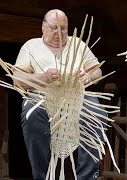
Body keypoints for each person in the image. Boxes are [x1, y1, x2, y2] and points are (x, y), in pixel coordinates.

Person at [13, 9, 105, 180]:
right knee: (32, 115)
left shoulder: (77, 43)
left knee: (97, 113)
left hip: (77, 96)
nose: (59, 33)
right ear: (43, 27)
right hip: (41, 97)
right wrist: (43, 77)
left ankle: (87, 177)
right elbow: (17, 79)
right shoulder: (30, 46)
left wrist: (89, 77)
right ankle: (42, 176)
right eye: (54, 28)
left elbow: (97, 70)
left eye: (63, 28)